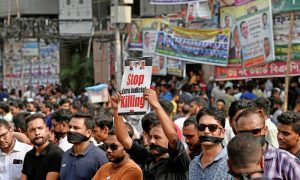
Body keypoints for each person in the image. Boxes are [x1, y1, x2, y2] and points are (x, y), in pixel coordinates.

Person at [112, 90, 190, 179]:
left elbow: (173, 138)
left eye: (157, 137)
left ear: (168, 138)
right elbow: (124, 139)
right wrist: (116, 109)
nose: (152, 141)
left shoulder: (178, 161)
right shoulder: (147, 158)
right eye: (150, 136)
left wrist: (156, 104)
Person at [236, 108, 300, 179]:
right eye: (243, 133)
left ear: (265, 130)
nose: (249, 136)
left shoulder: (288, 162)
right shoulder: (231, 160)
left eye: (255, 131)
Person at [60, 112, 108, 180]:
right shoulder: (65, 155)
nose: (71, 130)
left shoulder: (100, 158)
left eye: (76, 128)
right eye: (70, 127)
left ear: (88, 133)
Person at [189, 108, 232, 180]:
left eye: (212, 127)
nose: (206, 131)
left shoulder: (231, 163)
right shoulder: (193, 164)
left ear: (222, 132)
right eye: (201, 127)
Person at [21, 113, 64, 180]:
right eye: (32, 130)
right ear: (27, 135)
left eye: (40, 128)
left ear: (47, 130)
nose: (37, 133)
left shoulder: (57, 154)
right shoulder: (28, 155)